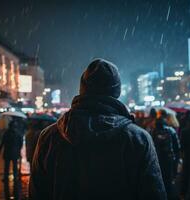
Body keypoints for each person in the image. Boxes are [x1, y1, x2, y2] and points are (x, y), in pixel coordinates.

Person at [29, 58, 166, 200]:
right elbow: (153, 193)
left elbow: (37, 192)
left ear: (83, 89)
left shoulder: (49, 136)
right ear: (116, 91)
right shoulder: (138, 139)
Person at [152, 108, 180, 200]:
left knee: (158, 179)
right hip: (168, 158)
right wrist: (177, 159)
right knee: (168, 179)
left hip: (156, 159)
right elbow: (177, 147)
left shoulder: (152, 131)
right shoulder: (171, 130)